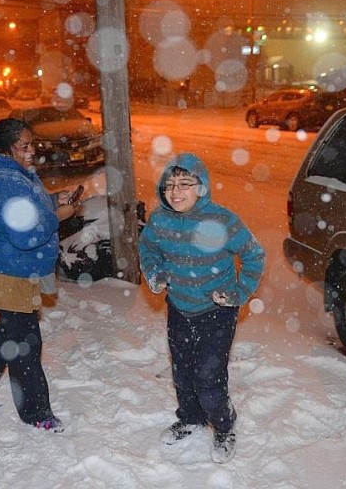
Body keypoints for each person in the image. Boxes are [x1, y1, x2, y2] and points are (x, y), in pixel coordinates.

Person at [138, 152, 265, 464]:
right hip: (179, 307)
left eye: (185, 183)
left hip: (216, 311)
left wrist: (238, 291)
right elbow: (147, 248)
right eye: (169, 185)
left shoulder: (222, 221)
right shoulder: (159, 221)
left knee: (208, 375)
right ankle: (191, 418)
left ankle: (223, 424)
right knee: (182, 371)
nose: (176, 191)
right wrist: (154, 274)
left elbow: (254, 254)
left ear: (202, 187)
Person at [0, 118, 79, 432]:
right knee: (25, 343)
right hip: (7, 272)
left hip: (7, 268)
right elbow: (26, 236)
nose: (31, 152)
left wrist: (53, 201)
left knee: (10, 331)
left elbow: (25, 211)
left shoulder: (10, 173)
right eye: (24, 146)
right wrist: (56, 217)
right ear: (5, 147)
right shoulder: (6, 181)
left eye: (32, 144)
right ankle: (36, 413)